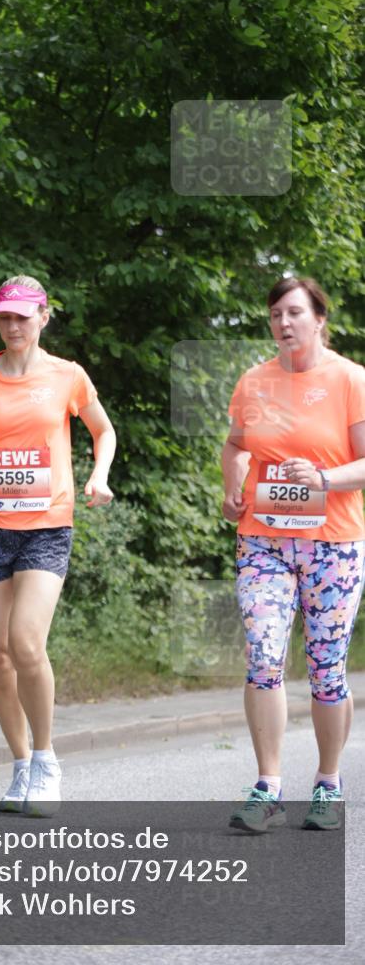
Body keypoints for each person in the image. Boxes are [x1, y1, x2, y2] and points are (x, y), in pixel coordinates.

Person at [0, 275, 116, 816]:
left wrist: (99, 475)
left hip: (46, 525)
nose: (12, 326)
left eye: (22, 316)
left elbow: (103, 431)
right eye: (4, 318)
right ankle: (19, 764)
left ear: (43, 317)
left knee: (26, 643)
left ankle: (46, 758)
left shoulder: (67, 375)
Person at [222, 276, 365, 833]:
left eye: (295, 313)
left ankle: (328, 783)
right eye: (276, 314)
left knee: (327, 671)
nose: (284, 323)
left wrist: (324, 478)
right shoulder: (254, 382)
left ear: (319, 319)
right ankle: (268, 787)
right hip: (264, 539)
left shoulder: (350, 379)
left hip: (334, 544)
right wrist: (232, 488)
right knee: (263, 655)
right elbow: (237, 446)